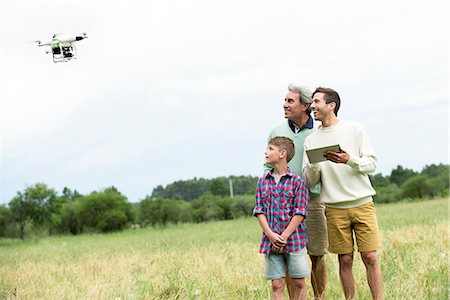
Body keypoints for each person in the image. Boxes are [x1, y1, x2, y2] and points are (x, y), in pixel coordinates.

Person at [303, 87, 383, 300]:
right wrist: (313, 164)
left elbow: (371, 163)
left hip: (362, 203)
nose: (312, 107)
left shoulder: (355, 129)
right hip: (334, 208)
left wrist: (349, 160)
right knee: (345, 259)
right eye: (312, 102)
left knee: (370, 257)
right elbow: (310, 181)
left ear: (331, 105)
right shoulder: (312, 140)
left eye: (317, 102)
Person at [265, 83, 328, 299]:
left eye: (290, 101)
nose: (285, 105)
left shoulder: (319, 131)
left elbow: (323, 165)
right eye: (285, 100)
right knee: (291, 256)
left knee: (317, 254)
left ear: (305, 105)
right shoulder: (276, 131)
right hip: (284, 206)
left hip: (313, 200)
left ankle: (318, 297)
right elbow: (268, 166)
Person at [254, 136, 310, 300]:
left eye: (270, 149)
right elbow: (259, 210)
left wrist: (284, 236)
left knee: (299, 282)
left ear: (282, 153)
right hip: (270, 240)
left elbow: (300, 212)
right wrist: (271, 235)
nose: (266, 152)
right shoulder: (263, 181)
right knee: (276, 284)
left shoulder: (297, 182)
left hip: (294, 240)